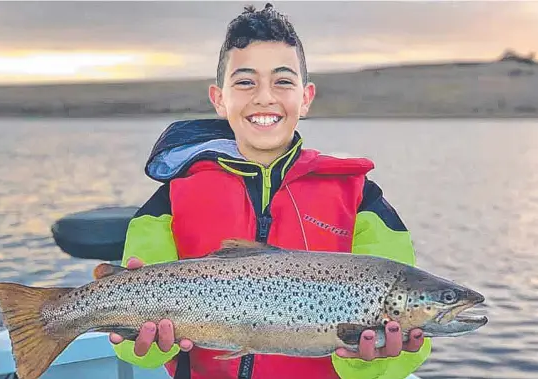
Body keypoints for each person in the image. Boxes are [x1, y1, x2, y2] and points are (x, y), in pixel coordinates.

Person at [102, 3, 432, 379]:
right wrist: (139, 342)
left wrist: (367, 359)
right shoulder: (168, 202)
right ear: (219, 99)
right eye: (245, 81)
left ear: (305, 98)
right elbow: (141, 356)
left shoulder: (362, 201)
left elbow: (404, 355)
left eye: (283, 81)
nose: (264, 97)